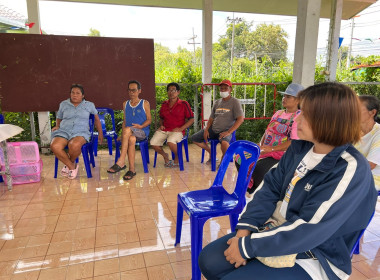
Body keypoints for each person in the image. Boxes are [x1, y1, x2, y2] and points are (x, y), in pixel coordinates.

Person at [198, 82, 377, 280]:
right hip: (277, 228)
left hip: (316, 255)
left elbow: (309, 228)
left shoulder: (349, 168)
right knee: (209, 260)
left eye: (306, 115)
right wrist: (244, 231)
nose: (297, 119)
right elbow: (269, 189)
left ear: (329, 120)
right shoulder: (300, 149)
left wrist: (247, 247)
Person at [235, 83, 304, 194]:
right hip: (266, 149)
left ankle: (260, 191)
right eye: (284, 96)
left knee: (259, 167)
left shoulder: (299, 116)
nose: (284, 98)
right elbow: (267, 132)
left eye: (288, 96)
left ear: (298, 100)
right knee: (239, 156)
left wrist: (271, 149)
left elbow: (294, 142)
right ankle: (250, 187)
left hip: (282, 153)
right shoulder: (278, 113)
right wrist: (260, 145)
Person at [51, 84, 103, 179]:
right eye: (73, 93)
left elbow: (96, 120)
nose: (75, 95)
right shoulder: (64, 104)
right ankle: (72, 166)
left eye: (78, 93)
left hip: (81, 131)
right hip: (64, 130)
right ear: (70, 94)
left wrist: (100, 133)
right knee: (55, 146)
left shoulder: (89, 105)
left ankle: (68, 164)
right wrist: (57, 126)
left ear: (82, 95)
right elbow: (59, 117)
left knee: (74, 145)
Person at [107, 80, 151, 180]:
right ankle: (132, 170)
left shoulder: (144, 103)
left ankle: (121, 160)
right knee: (131, 139)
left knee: (127, 131)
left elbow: (149, 120)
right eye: (129, 90)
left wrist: (140, 126)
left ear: (139, 91)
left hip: (142, 131)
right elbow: (125, 121)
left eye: (134, 90)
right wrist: (122, 135)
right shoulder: (125, 104)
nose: (131, 92)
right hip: (130, 133)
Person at [192, 80, 244, 163]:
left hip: (225, 130)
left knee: (225, 144)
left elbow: (240, 119)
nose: (223, 90)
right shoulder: (217, 102)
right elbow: (211, 118)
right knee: (194, 138)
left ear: (230, 89)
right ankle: (212, 152)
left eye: (225, 88)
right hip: (213, 129)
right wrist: (206, 129)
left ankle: (223, 162)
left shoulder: (235, 102)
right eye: (221, 88)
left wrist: (228, 132)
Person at [150, 82, 194, 168]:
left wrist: (181, 128)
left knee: (170, 141)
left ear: (178, 92)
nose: (171, 92)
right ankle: (165, 156)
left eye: (174, 90)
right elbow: (161, 118)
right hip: (165, 129)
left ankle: (177, 157)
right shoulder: (164, 104)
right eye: (169, 90)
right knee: (153, 142)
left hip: (177, 131)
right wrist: (161, 125)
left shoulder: (184, 104)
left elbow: (191, 119)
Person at [355, 95, 380, 190]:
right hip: (354, 177)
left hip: (373, 181)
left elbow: (370, 165)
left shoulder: (378, 133)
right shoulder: (353, 132)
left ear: (372, 112)